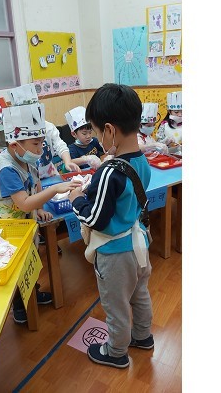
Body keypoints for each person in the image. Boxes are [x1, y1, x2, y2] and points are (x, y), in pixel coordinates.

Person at [68, 83, 154, 369]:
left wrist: (77, 200)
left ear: (109, 130)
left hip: (115, 253)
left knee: (116, 305)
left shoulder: (109, 171)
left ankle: (116, 352)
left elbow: (95, 219)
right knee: (140, 294)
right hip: (139, 243)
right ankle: (142, 336)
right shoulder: (142, 160)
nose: (95, 137)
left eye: (95, 131)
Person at [0, 101, 80, 324]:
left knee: (30, 263)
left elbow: (36, 183)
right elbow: (23, 203)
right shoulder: (7, 169)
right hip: (9, 227)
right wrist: (54, 190)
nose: (40, 149)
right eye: (36, 144)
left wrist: (40, 208)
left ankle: (33, 293)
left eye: (42, 143)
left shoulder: (27, 156)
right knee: (17, 268)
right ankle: (20, 307)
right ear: (15, 145)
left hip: (27, 221)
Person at [65, 105, 104, 170]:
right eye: (84, 133)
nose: (88, 136)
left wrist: (110, 155)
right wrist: (85, 159)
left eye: (90, 132)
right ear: (74, 134)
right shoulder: (72, 149)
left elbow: (105, 149)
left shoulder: (94, 141)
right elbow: (70, 162)